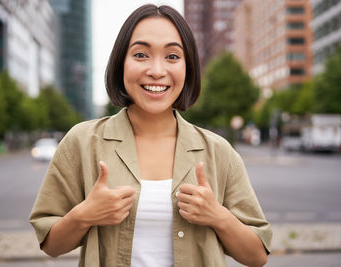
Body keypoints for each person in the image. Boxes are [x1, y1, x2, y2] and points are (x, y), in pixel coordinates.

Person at [29, 4, 272, 267]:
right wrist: (84, 215)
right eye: (141, 55)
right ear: (121, 62)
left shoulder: (219, 151)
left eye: (172, 57)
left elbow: (257, 256)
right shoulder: (82, 141)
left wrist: (218, 216)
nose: (157, 70)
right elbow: (51, 245)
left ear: (188, 67)